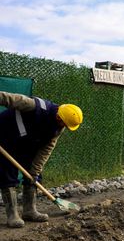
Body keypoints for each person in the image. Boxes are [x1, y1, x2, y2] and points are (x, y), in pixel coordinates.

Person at [0, 91, 83, 228]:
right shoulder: (34, 106)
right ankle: (12, 215)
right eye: (64, 124)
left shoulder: (58, 127)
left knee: (35, 174)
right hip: (6, 136)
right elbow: (9, 98)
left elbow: (47, 149)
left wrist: (35, 172)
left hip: (26, 142)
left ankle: (29, 211)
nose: (64, 127)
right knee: (8, 174)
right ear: (59, 116)